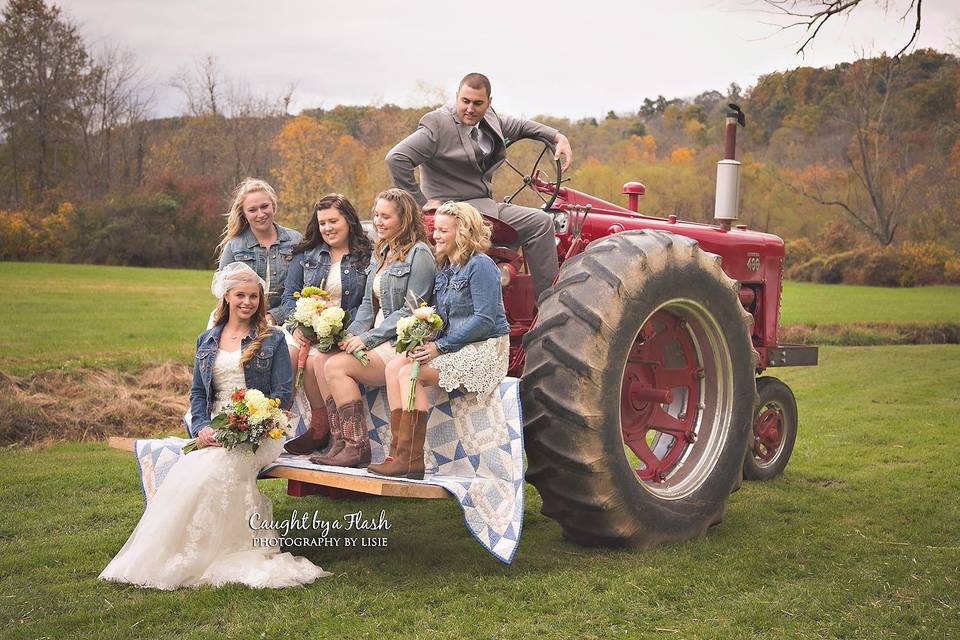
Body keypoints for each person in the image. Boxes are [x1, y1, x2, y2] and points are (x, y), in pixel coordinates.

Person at [99, 263, 329, 589]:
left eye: (253, 296)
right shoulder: (207, 339)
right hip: (215, 427)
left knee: (216, 467)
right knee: (190, 466)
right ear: (227, 297)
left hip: (259, 428)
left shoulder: (272, 339)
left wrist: (246, 425)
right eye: (240, 295)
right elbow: (197, 393)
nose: (247, 302)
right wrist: (203, 429)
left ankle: (220, 551)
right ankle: (173, 554)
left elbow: (281, 396)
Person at [385, 72, 573, 299]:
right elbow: (396, 159)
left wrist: (556, 137)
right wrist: (421, 204)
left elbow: (521, 126)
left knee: (540, 222)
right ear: (457, 97)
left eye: (477, 103)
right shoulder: (437, 125)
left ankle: (548, 305)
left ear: (488, 103)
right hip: (452, 212)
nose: (470, 109)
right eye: (465, 101)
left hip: (485, 209)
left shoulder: (490, 120)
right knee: (524, 226)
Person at [369, 202, 510, 479]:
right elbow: (438, 316)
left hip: (485, 347)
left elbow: (485, 320)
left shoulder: (481, 265)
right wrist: (422, 337)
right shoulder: (445, 267)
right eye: (435, 230)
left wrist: (438, 347)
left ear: (463, 232)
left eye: (443, 231)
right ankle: (397, 454)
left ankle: (412, 459)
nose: (435, 236)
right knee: (394, 365)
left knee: (411, 374)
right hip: (455, 343)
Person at [317, 188, 436, 468]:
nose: (378, 222)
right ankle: (340, 442)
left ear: (404, 219)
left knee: (336, 367)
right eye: (376, 215)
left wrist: (367, 340)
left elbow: (411, 311)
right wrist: (352, 334)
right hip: (376, 339)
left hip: (399, 343)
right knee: (323, 357)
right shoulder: (381, 251)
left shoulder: (420, 255)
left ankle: (357, 446)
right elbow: (369, 307)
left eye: (386, 217)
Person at [278, 193, 373, 455]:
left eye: (333, 221)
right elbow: (289, 296)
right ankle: (320, 428)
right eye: (322, 223)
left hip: (344, 329)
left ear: (349, 221)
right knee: (300, 356)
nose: (328, 228)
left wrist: (337, 328)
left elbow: (368, 302)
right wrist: (299, 324)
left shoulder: (366, 256)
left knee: (316, 360)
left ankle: (334, 433)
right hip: (309, 327)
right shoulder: (306, 255)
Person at [216, 178, 302, 324]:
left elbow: (304, 287)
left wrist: (274, 317)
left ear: (273, 206)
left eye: (264, 206)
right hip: (242, 319)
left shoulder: (295, 241)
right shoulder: (235, 245)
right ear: (244, 213)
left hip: (287, 320)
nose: (260, 214)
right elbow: (224, 290)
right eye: (252, 210)